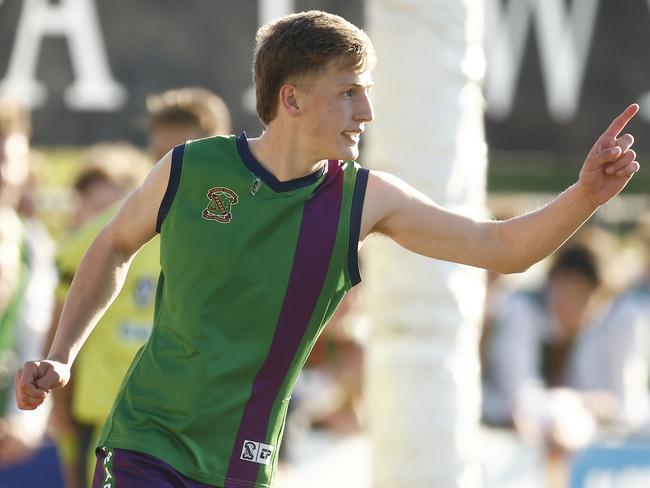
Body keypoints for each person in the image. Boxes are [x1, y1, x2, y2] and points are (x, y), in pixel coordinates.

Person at [15, 10, 641, 488]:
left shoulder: (366, 200)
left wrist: (586, 194)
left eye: (367, 91)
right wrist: (63, 355)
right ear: (291, 98)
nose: (367, 111)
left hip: (243, 460)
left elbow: (503, 249)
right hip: (147, 441)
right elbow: (111, 247)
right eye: (349, 91)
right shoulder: (189, 168)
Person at [49, 88, 232, 488]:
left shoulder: (240, 234)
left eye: (181, 153)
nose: (171, 166)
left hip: (198, 428)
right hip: (110, 425)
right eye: (161, 155)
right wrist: (58, 400)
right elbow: (62, 306)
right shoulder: (113, 228)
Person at [0, 96, 58, 471]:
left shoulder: (32, 245)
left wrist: (24, 420)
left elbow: (34, 340)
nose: (3, 174)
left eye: (8, 160)